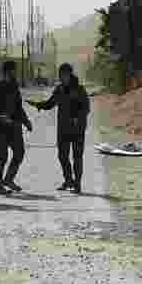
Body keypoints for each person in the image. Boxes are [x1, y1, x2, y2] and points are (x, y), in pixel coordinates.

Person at [28, 62, 90, 194]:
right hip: (63, 129)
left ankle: (77, 184)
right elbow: (50, 103)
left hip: (77, 129)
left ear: (70, 74)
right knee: (62, 156)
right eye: (61, 75)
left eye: (64, 75)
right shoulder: (59, 89)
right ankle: (68, 180)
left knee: (77, 157)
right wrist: (37, 105)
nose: (62, 77)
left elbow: (86, 108)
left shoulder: (79, 89)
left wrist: (77, 118)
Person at [0, 61, 33, 193]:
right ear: (6, 71)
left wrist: (26, 121)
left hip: (14, 126)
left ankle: (8, 179)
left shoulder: (14, 86)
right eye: (12, 71)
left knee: (19, 152)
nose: (14, 73)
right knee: (0, 157)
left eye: (14, 70)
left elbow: (18, 107)